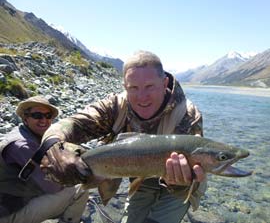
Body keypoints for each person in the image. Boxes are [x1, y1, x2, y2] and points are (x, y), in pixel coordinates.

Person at [40, 51, 207, 223]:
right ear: (125, 87)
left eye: (150, 86)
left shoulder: (187, 116)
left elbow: (196, 171)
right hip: (140, 178)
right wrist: (54, 145)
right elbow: (74, 123)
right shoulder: (115, 106)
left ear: (164, 83)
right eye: (133, 88)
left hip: (182, 184)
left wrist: (179, 182)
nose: (142, 97)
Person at [0, 96, 89, 223]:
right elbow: (52, 187)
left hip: (14, 199)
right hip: (7, 213)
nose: (44, 120)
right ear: (25, 118)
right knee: (80, 189)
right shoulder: (23, 146)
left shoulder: (25, 133)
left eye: (48, 115)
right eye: (37, 115)